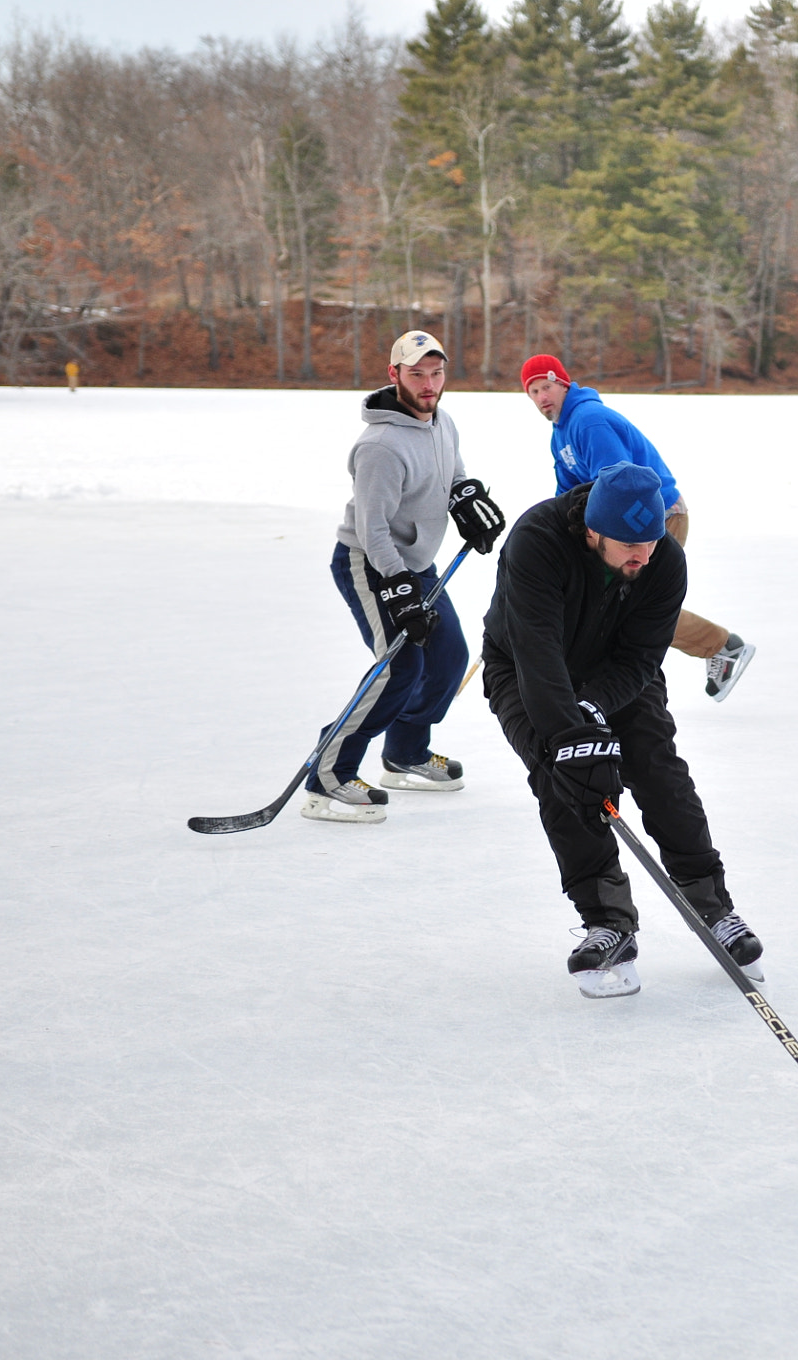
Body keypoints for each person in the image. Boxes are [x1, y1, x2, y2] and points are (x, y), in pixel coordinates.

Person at [480, 460, 761, 997]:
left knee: (659, 772)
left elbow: (638, 659)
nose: (642, 554)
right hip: (524, 668)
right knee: (563, 777)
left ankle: (714, 909)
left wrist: (594, 708)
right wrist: (571, 733)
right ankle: (608, 922)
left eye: (650, 541)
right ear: (592, 530)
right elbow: (536, 652)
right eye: (628, 543)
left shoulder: (664, 561)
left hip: (617, 675)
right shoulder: (536, 540)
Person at [304, 329, 506, 824]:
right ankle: (328, 775)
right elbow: (373, 531)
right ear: (394, 375)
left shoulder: (443, 421)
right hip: (367, 563)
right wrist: (397, 590)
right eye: (417, 374)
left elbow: (453, 474)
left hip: (415, 564)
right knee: (399, 668)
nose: (429, 383)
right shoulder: (380, 446)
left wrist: (466, 499)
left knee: (449, 658)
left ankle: (406, 753)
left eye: (436, 373)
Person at [520, 353, 757, 701]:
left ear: (563, 383)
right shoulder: (561, 434)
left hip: (652, 517)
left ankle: (721, 647)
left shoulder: (589, 421)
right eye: (533, 391)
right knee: (620, 604)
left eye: (547, 386)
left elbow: (617, 480)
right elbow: (568, 494)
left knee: (634, 604)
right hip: (623, 521)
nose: (542, 397)